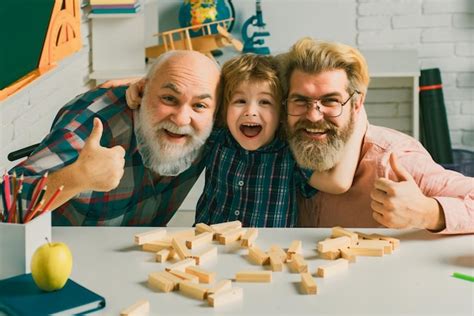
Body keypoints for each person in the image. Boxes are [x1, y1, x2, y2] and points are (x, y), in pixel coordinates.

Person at [278, 38, 473, 234]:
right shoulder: (278, 148)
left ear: (356, 104)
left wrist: (429, 213)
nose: (313, 116)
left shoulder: (392, 161)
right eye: (300, 101)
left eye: (331, 101)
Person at [4, 50, 220, 226]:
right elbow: (4, 205)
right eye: (169, 98)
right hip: (52, 261)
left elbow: (250, 92)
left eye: (199, 105)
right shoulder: (92, 125)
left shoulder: (213, 128)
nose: (182, 119)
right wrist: (76, 176)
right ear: (144, 90)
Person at [195, 54, 365, 227]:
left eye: (265, 102)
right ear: (225, 109)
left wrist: (358, 117)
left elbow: (337, 183)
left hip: (267, 250)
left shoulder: (289, 152)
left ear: (281, 113)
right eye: (240, 101)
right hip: (208, 243)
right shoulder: (218, 138)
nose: (250, 111)